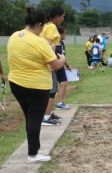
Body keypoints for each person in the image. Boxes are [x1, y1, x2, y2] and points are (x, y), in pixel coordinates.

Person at [8, 7, 65, 163]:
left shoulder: (14, 36)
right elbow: (55, 65)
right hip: (36, 86)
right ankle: (33, 154)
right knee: (34, 119)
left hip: (16, 83)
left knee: (30, 117)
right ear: (39, 25)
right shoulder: (39, 41)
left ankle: (33, 149)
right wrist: (63, 59)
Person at [40, 6, 65, 126]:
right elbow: (48, 44)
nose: (63, 19)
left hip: (45, 60)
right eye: (62, 16)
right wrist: (52, 61)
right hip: (49, 61)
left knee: (51, 87)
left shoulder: (46, 26)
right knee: (53, 87)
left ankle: (48, 113)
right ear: (57, 16)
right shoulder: (51, 27)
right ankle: (46, 116)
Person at [56, 25, 71, 110]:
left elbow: (63, 56)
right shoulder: (53, 43)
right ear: (59, 34)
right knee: (52, 88)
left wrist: (67, 65)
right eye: (64, 34)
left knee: (64, 83)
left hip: (60, 66)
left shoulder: (62, 43)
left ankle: (60, 103)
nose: (65, 35)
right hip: (53, 67)